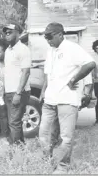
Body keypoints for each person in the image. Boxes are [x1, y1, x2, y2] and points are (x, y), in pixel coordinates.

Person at [38, 22, 96, 174]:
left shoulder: (72, 48)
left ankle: (63, 167)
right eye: (45, 37)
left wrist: (73, 80)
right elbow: (47, 73)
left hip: (67, 101)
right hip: (50, 100)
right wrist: (43, 91)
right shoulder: (50, 50)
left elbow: (90, 64)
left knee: (66, 137)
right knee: (44, 134)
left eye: (49, 36)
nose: (47, 40)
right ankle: (47, 162)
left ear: (59, 34)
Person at [3, 23, 32, 145]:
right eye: (6, 32)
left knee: (14, 122)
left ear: (18, 33)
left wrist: (18, 93)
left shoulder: (23, 49)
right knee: (15, 122)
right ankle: (20, 147)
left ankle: (16, 149)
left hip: (18, 92)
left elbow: (26, 72)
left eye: (10, 32)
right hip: (9, 91)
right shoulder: (8, 50)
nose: (7, 34)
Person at [92, 40, 98, 124]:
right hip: (97, 82)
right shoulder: (94, 58)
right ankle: (97, 119)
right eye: (97, 48)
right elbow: (93, 72)